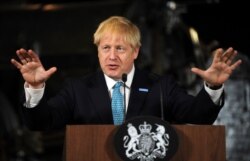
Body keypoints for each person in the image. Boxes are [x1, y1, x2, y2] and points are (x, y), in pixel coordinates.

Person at [11, 16, 241, 130]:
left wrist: (212, 88)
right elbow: (41, 123)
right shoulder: (77, 89)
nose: (112, 56)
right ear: (98, 51)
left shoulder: (160, 87)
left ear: (135, 52)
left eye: (120, 48)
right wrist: (34, 88)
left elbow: (197, 116)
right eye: (106, 48)